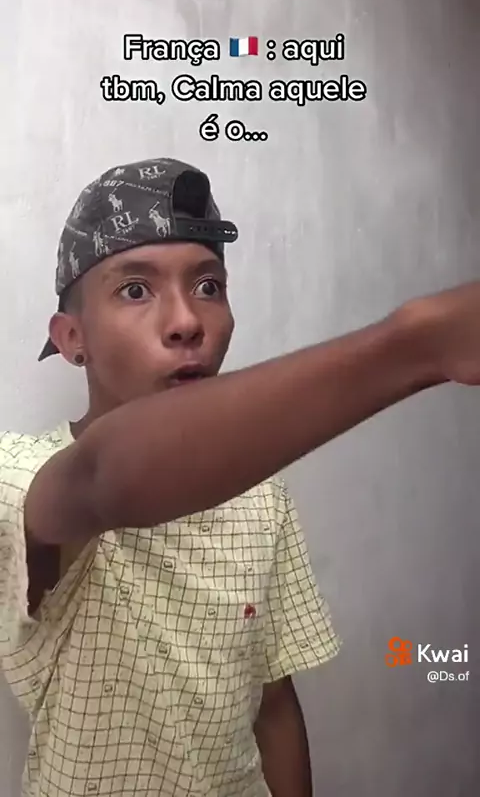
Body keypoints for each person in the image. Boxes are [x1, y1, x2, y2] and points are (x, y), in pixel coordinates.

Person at [1, 158, 479, 797]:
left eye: (208, 286)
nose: (186, 321)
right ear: (71, 337)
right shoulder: (18, 475)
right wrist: (414, 347)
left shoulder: (261, 496)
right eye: (135, 290)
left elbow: (272, 703)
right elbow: (104, 478)